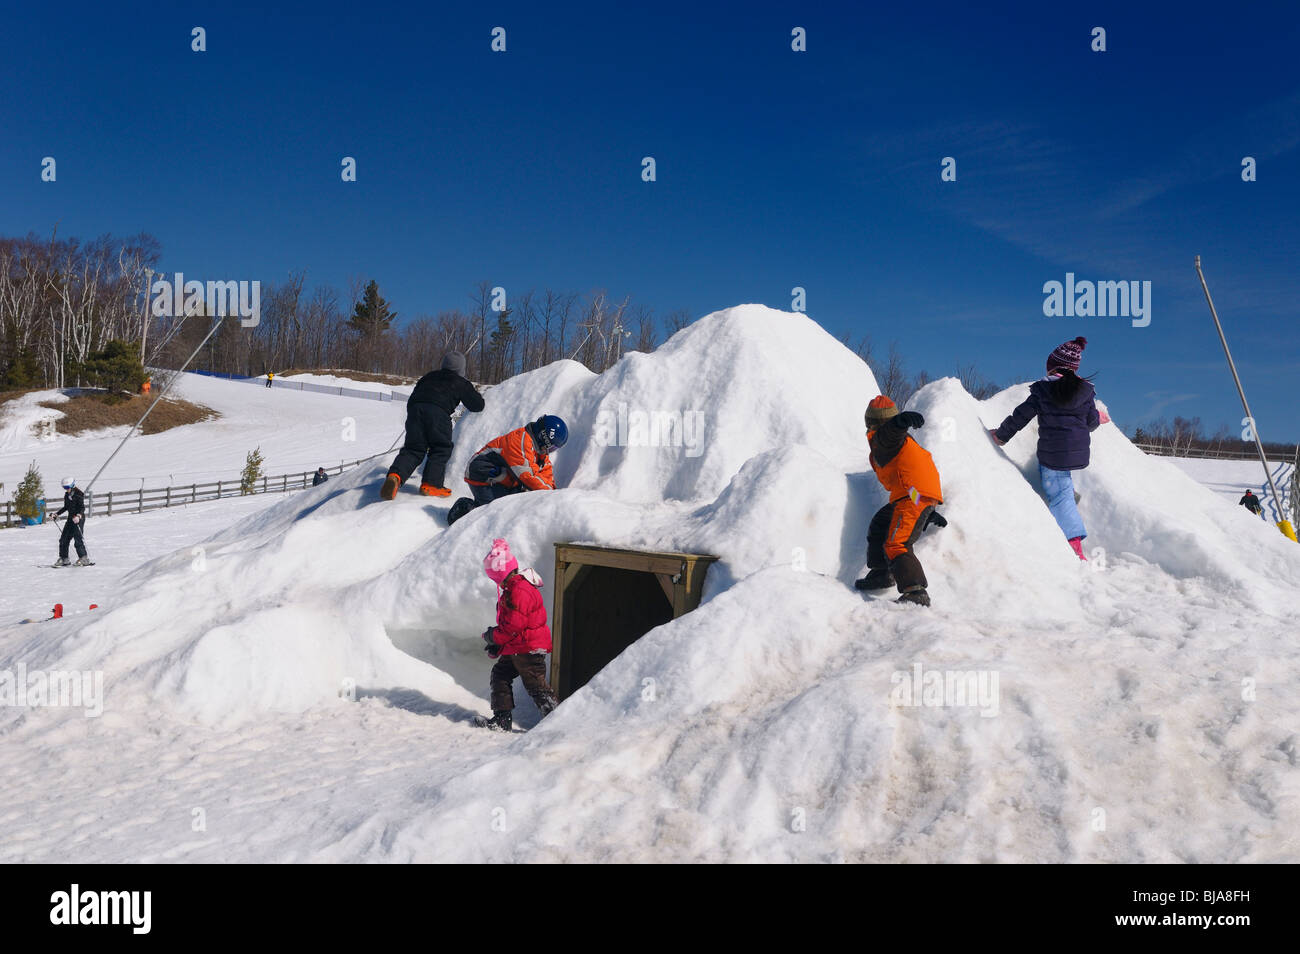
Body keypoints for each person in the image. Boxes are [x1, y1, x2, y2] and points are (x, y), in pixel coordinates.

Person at [990, 336, 1109, 561]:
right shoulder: (1084, 392)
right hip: (1077, 453)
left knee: (1059, 494)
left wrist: (1001, 435)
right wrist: (1099, 418)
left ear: (1051, 366)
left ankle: (1073, 541)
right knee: (1061, 482)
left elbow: (1020, 416)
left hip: (1052, 455)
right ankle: (1067, 496)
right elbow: (1091, 422)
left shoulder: (1043, 391)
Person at [854, 397, 945, 606]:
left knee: (897, 543)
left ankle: (915, 591)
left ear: (873, 422)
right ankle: (882, 572)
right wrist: (926, 510)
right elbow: (911, 482)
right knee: (880, 523)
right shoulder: (892, 445)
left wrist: (899, 422)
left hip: (912, 496)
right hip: (912, 495)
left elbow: (890, 435)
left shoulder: (886, 439)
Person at [475, 538, 558, 731]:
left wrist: (493, 636)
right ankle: (502, 720)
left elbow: (513, 626)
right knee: (500, 675)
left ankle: (555, 723)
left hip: (529, 648)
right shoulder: (512, 588)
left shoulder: (519, 590)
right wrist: (498, 644)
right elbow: (511, 627)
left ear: (501, 573)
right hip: (518, 646)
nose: (495, 582)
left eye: (495, 577)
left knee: (536, 686)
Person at [380, 351, 485, 500]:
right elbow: (477, 405)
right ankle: (431, 485)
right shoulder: (460, 382)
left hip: (415, 410)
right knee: (440, 448)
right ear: (461, 369)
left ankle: (395, 475)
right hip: (438, 413)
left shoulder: (428, 377)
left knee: (413, 449)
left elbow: (415, 395)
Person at [446, 414, 568, 525]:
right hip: (482, 475)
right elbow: (529, 476)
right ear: (543, 437)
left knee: (515, 504)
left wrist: (553, 494)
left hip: (503, 479)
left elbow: (545, 471)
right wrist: (550, 495)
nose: (549, 451)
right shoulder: (520, 443)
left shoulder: (539, 449)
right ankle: (464, 510)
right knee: (494, 514)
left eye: (553, 449)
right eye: (551, 447)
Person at [53, 477, 94, 567]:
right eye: (64, 488)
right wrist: (57, 514)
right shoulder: (67, 495)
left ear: (72, 485)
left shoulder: (79, 494)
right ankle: (64, 559)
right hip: (70, 519)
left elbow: (82, 508)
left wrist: (79, 516)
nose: (66, 489)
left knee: (77, 539)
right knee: (63, 539)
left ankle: (84, 558)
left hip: (78, 519)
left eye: (67, 487)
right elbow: (66, 507)